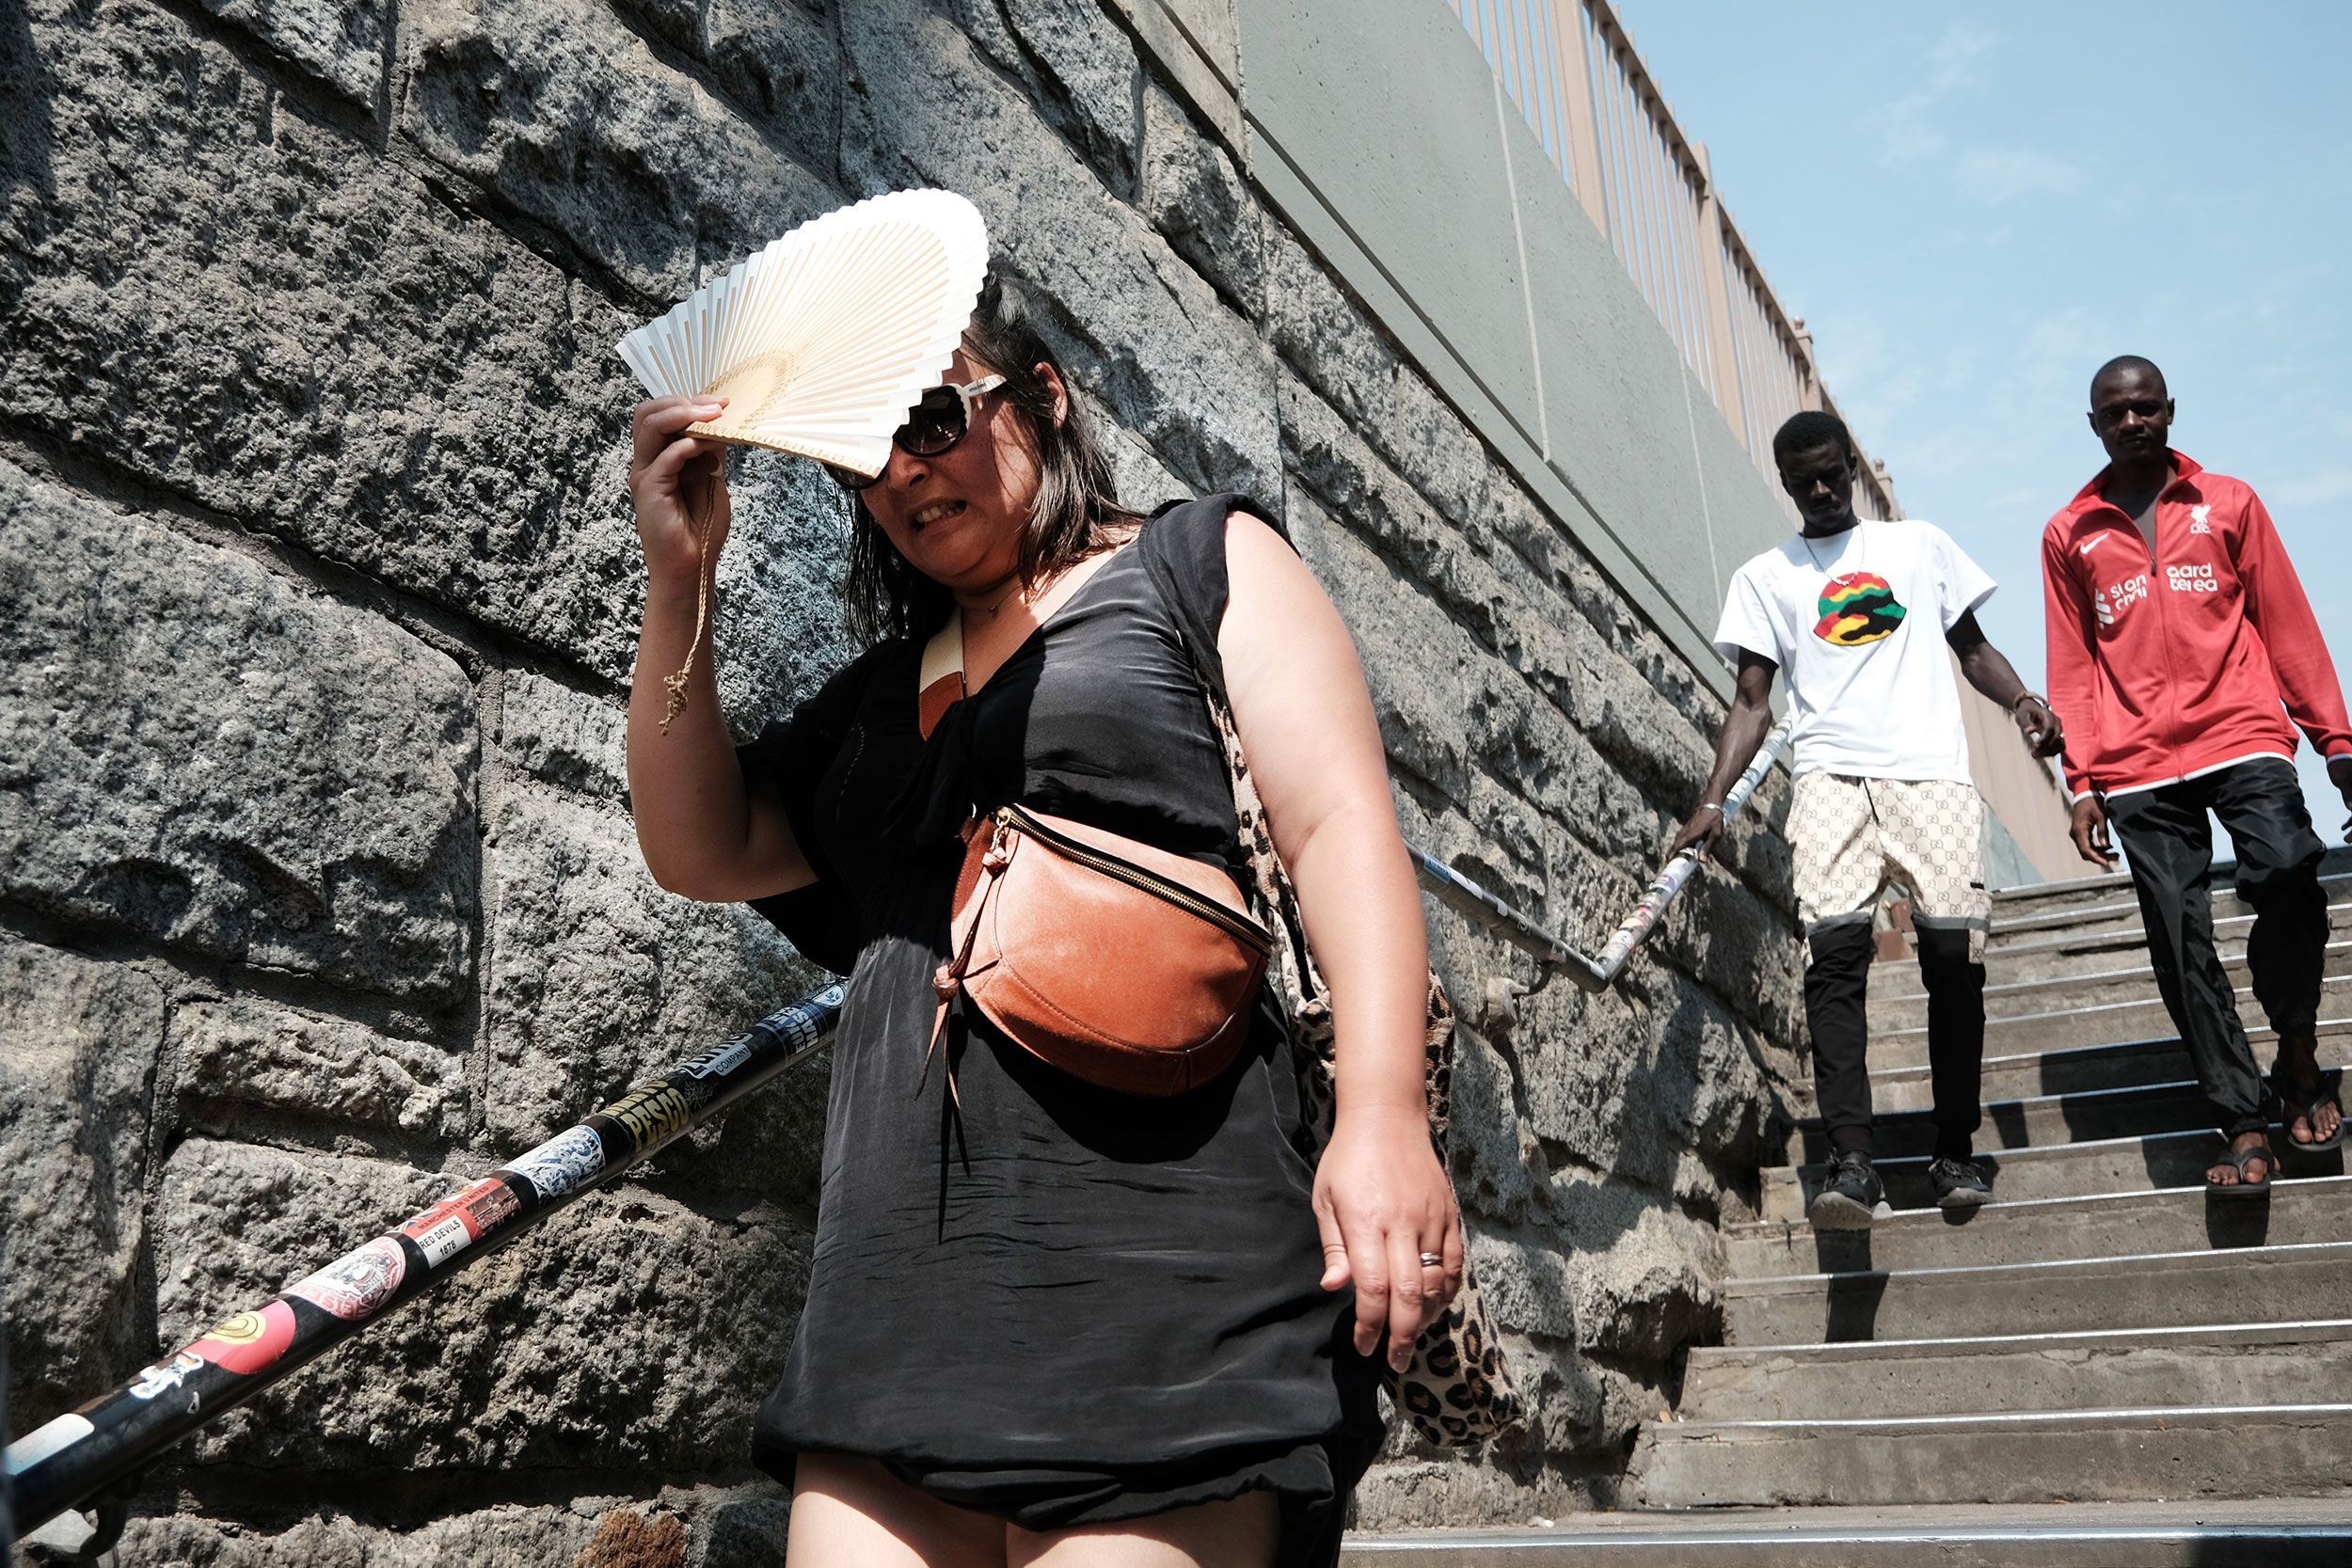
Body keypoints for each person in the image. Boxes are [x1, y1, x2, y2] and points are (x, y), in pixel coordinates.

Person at [622, 274, 1458, 1568]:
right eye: (863, 455)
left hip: (1171, 1298)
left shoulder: (1195, 562)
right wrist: (682, 580)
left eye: (932, 418)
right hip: (893, 1320)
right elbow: (701, 844)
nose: (901, 472)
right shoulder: (872, 700)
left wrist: (1383, 1113)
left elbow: (1340, 827)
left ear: (1042, 399)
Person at [1671, 411, 2063, 1229]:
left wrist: (2023, 699)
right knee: (1834, 961)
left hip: (1931, 773)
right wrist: (1712, 800)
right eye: (1801, 481)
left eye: (1829, 473)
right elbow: (1752, 702)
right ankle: (1853, 1162)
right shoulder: (1766, 576)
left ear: (1849, 466)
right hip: (1830, 781)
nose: (1818, 491)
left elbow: (1973, 649)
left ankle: (1954, 1147)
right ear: (1783, 482)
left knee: (1954, 959)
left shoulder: (1917, 546)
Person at [2042, 356, 2352, 1196]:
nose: (2133, 422)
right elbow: (2071, 667)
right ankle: (2243, 1117)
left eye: (2146, 407)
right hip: (2138, 762)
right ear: (2095, 425)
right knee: (2179, 938)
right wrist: (2081, 781)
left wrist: (2337, 742)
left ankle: (2295, 1047)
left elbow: (2288, 624)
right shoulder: (2070, 532)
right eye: (2116, 412)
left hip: (2244, 733)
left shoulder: (2230, 503)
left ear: (2170, 411)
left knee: (2289, 867)